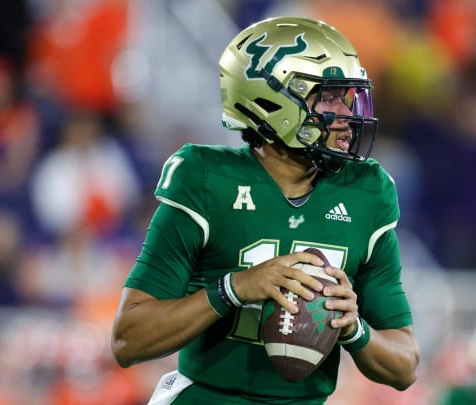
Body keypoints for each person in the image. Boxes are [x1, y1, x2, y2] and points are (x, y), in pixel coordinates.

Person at [111, 16, 420, 404]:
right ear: (272, 101)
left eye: (347, 97)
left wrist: (353, 327)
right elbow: (127, 338)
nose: (345, 115)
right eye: (328, 97)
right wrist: (235, 288)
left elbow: (405, 364)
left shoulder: (365, 191)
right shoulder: (207, 179)